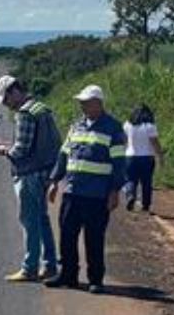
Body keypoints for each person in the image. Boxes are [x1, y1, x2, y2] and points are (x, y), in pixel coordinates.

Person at [45, 85, 126, 294]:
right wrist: (55, 181)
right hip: (72, 192)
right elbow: (63, 155)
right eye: (81, 102)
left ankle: (96, 279)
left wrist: (115, 191)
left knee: (94, 238)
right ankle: (68, 275)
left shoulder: (113, 129)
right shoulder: (76, 126)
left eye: (86, 102)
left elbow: (119, 163)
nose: (82, 106)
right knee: (67, 236)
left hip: (97, 195)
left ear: (98, 103)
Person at [0, 75, 62, 283]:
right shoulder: (41, 108)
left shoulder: (25, 114)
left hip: (29, 174)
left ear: (14, 92)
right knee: (42, 220)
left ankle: (29, 267)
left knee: (30, 221)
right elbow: (50, 141)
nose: (6, 104)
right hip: (45, 171)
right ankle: (49, 265)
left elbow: (21, 149)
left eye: (6, 100)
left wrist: (3, 150)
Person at [123, 104, 164, 213]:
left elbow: (123, 141)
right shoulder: (150, 126)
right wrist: (160, 156)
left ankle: (130, 196)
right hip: (147, 158)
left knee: (130, 179)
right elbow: (155, 143)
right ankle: (145, 205)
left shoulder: (128, 125)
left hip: (130, 157)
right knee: (146, 182)